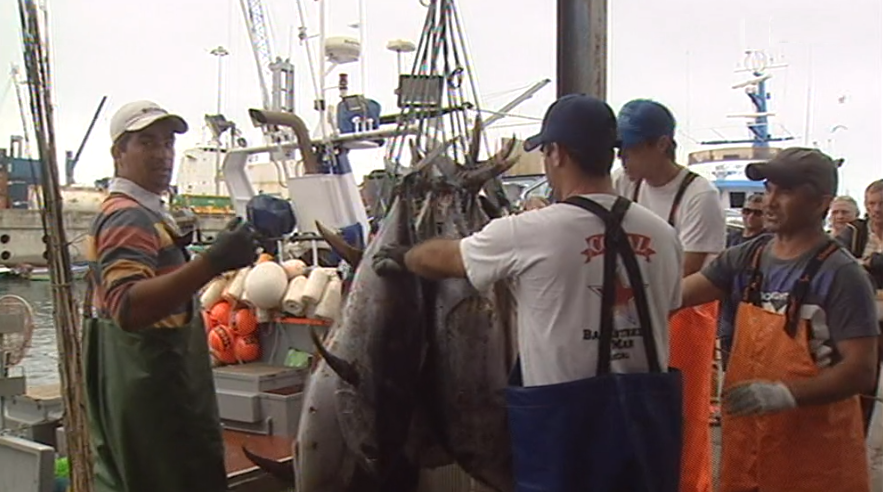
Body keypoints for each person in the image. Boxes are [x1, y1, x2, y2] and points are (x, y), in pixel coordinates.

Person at [374, 94, 685, 491]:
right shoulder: (663, 234)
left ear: (556, 153)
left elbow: (446, 259)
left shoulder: (531, 231)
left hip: (562, 435)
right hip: (647, 434)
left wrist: (403, 256)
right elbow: (669, 307)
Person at [83, 100, 260, 492]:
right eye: (147, 143)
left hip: (154, 399)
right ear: (118, 153)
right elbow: (127, 307)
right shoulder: (128, 216)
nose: (163, 155)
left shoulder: (144, 212)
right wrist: (211, 263)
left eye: (167, 143)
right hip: (157, 406)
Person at [680, 148, 879, 491]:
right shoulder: (748, 256)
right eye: (769, 188)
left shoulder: (842, 274)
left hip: (815, 460)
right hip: (749, 453)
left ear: (821, 203)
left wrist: (786, 394)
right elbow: (677, 295)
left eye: (785, 191)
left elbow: (860, 369)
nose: (770, 201)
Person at [613, 99, 725, 492]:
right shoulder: (625, 182)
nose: (622, 156)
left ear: (662, 144)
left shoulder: (700, 195)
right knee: (630, 405)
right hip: (631, 307)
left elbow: (689, 270)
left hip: (685, 312)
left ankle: (689, 485)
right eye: (618, 147)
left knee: (684, 411)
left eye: (630, 147)